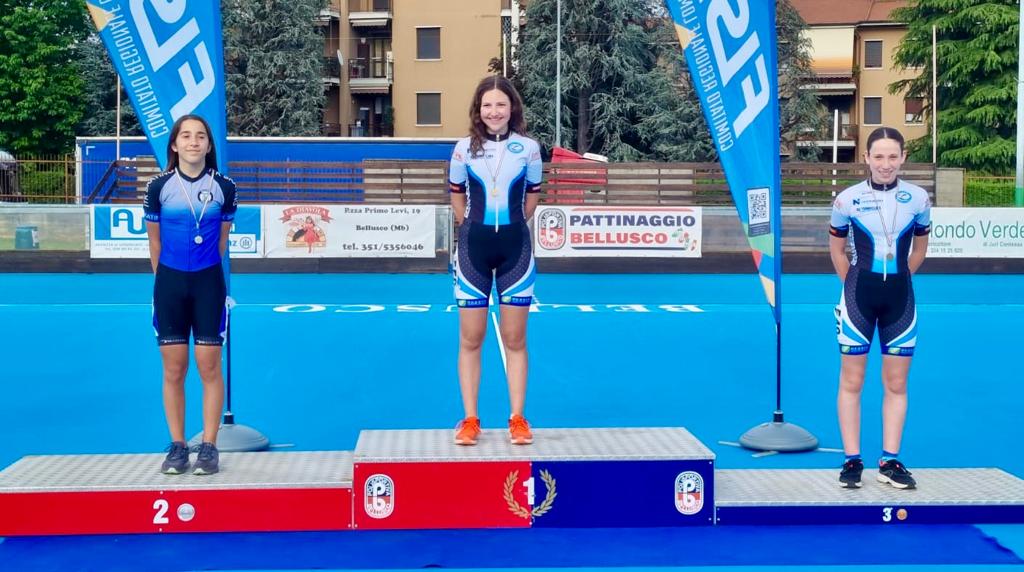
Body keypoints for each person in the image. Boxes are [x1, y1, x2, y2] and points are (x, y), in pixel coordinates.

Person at [829, 127, 931, 490]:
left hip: (900, 300)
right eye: (878, 156)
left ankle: (890, 460)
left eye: (892, 156)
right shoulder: (847, 200)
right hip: (858, 298)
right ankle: (851, 460)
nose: (885, 164)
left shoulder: (918, 199)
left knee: (897, 383)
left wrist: (899, 278)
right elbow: (837, 251)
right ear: (866, 158)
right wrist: (853, 285)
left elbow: (920, 250)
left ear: (903, 158)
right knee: (852, 380)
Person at [448, 76, 543, 446]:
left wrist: (512, 224)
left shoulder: (529, 149)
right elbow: (457, 196)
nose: (494, 111)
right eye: (487, 105)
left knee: (514, 338)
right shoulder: (462, 150)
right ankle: (470, 419)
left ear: (512, 107)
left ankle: (517, 418)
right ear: (478, 109)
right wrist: (471, 226)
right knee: (471, 338)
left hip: (515, 250)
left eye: (500, 104)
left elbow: (531, 198)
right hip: (473, 249)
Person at [144, 114, 237, 475]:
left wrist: (202, 274)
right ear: (175, 144)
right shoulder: (159, 187)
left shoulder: (224, 187)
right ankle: (178, 446)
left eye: (200, 136)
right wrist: (165, 283)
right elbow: (155, 243)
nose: (193, 142)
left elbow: (221, 242)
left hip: (208, 284)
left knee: (209, 366)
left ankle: (209, 446)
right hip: (169, 283)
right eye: (186, 136)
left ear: (209, 145)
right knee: (174, 368)